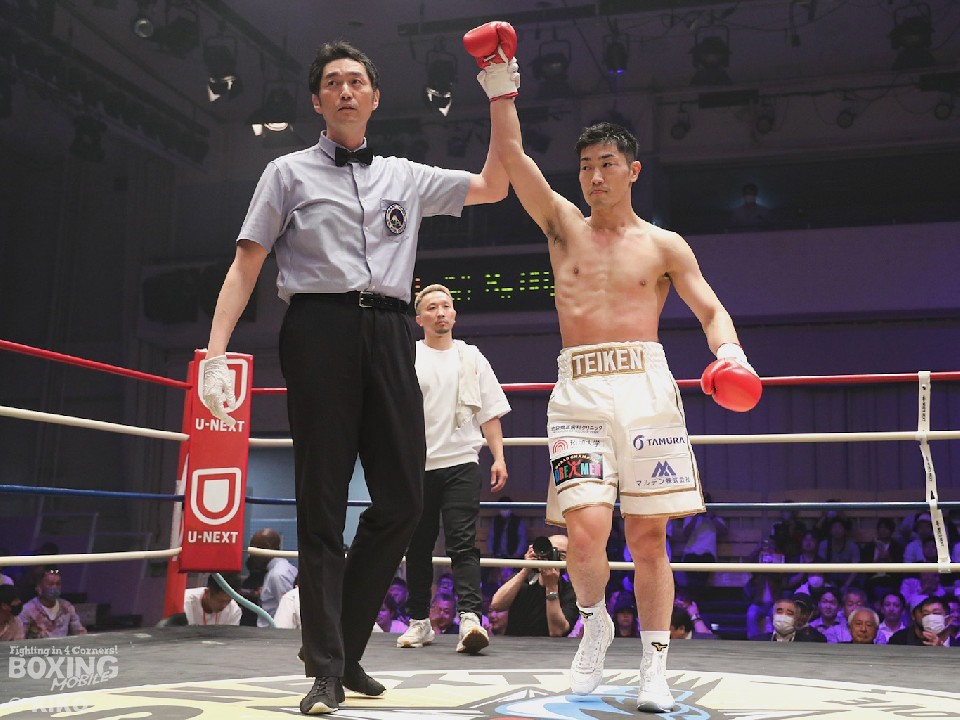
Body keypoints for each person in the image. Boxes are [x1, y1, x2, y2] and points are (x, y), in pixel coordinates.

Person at [198, 39, 509, 714]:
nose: (345, 90)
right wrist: (216, 353)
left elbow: (495, 185)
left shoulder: (405, 175)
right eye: (333, 82)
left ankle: (341, 646)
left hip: (393, 332)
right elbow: (247, 264)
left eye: (356, 81)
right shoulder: (285, 172)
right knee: (322, 503)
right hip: (319, 331)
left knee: (404, 501)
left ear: (374, 97)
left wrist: (500, 94)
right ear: (317, 101)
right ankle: (326, 668)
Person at [470, 20, 760, 713]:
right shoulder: (562, 226)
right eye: (585, 165)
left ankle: (655, 665)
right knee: (585, 532)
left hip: (646, 388)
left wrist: (730, 353)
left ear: (632, 170)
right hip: (578, 390)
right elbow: (510, 156)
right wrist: (500, 84)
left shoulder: (664, 244)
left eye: (606, 163)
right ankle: (595, 622)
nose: (594, 175)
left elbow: (710, 309)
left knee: (649, 536)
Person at [397, 283, 510, 655]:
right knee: (418, 546)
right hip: (417, 464)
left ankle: (470, 619)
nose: (440, 312)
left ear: (454, 314)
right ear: (419, 318)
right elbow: (392, 411)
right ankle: (419, 621)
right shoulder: (408, 356)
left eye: (445, 306)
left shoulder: (471, 357)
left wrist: (499, 457)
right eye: (431, 307)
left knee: (463, 543)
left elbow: (489, 411)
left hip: (462, 461)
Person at [490, 535, 579, 637]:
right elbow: (497, 606)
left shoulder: (571, 592)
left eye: (562, 554)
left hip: (552, 647)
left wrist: (551, 587)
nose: (554, 557)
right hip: (515, 645)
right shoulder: (521, 581)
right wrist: (526, 569)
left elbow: (556, 631)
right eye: (551, 551)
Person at [250, 529, 298, 627]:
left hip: (274, 632)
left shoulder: (278, 575)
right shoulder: (280, 569)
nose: (251, 555)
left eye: (254, 549)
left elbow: (289, 610)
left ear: (266, 547)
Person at [19, 569, 86, 639]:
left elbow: (79, 632)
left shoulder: (67, 607)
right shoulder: (28, 610)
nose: (55, 587)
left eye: (58, 584)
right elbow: (20, 639)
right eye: (50, 584)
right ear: (39, 587)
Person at [889, 595, 954, 647]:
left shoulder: (956, 645)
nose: (930, 618)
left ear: (948, 620)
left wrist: (941, 651)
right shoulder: (912, 645)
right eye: (926, 614)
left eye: (936, 613)